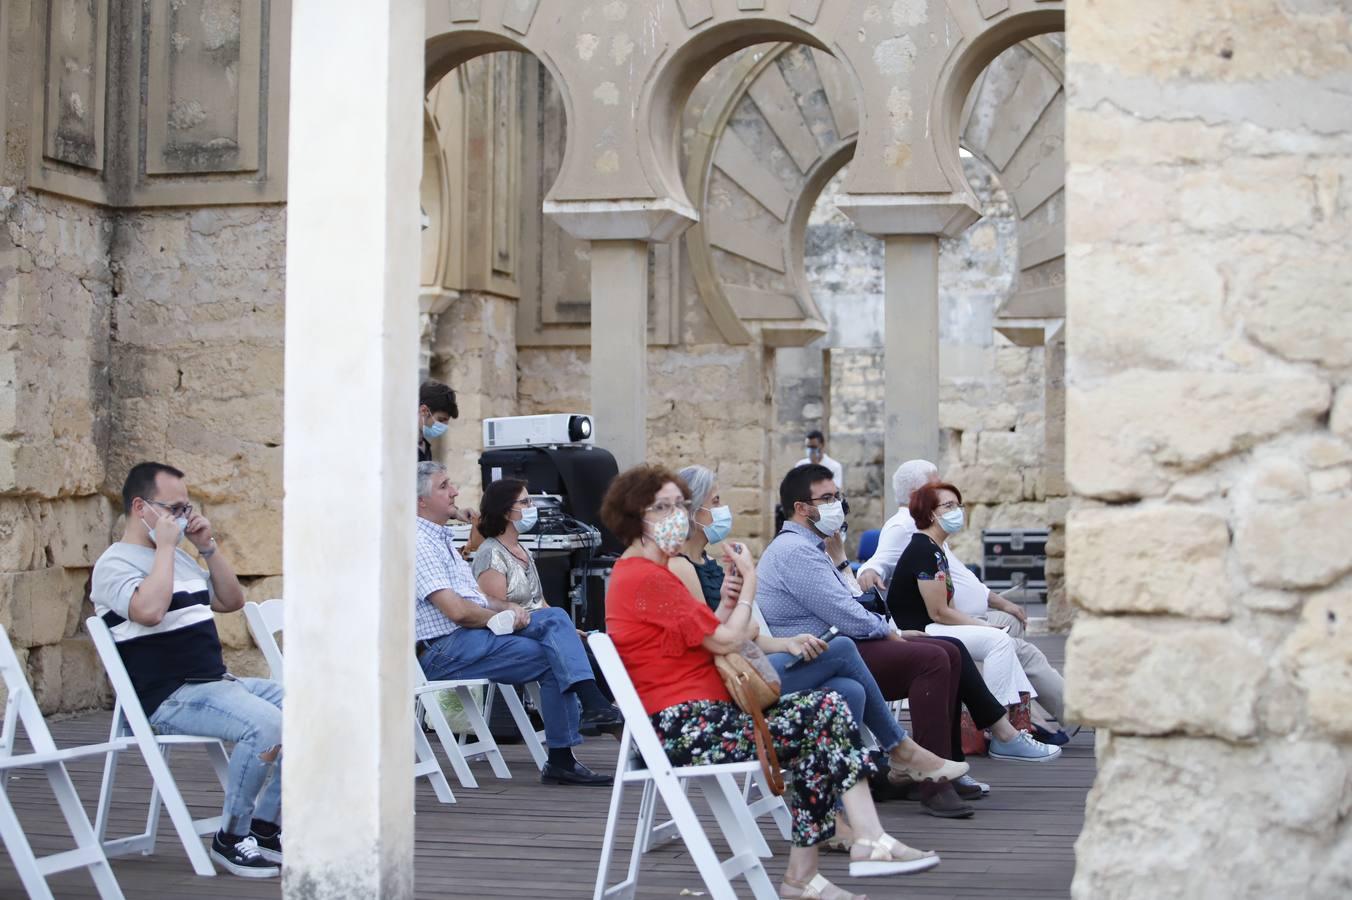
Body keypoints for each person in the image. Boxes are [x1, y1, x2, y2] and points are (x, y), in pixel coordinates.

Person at [602, 465, 940, 899]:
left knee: (830, 709)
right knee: (827, 712)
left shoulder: (649, 573)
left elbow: (706, 638)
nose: (676, 515)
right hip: (686, 729)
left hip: (701, 716)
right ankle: (838, 857)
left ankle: (842, 854)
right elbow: (729, 640)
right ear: (633, 516)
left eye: (679, 505)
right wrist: (748, 590)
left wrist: (725, 603)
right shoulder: (645, 576)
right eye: (661, 507)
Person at [669, 465, 969, 807]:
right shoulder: (693, 566)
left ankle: (838, 804)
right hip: (732, 679)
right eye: (716, 501)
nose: (723, 509)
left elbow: (745, 631)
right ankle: (902, 751)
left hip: (756, 660)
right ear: (694, 511)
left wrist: (777, 636)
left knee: (852, 688)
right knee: (868, 649)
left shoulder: (713, 563)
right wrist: (747, 594)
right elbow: (721, 637)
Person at [91, 463, 283, 878]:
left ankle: (266, 827)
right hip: (169, 696)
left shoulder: (180, 558)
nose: (182, 517)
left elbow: (232, 601)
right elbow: (149, 611)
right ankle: (231, 837)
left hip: (215, 684)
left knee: (311, 709)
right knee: (268, 726)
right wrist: (163, 549)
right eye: (173, 509)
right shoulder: (114, 565)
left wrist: (208, 546)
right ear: (141, 507)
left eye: (186, 507)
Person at [413, 462, 620, 786]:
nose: (454, 491)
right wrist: (504, 617)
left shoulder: (440, 541)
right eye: (444, 486)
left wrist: (507, 606)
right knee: (555, 645)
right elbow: (456, 611)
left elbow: (477, 600)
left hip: (467, 637)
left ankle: (569, 746)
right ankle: (590, 710)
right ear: (420, 502)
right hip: (443, 649)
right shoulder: (418, 543)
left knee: (555, 627)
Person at [860, 460, 1072, 742]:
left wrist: (998, 605)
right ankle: (1004, 728)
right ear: (922, 500)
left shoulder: (933, 541)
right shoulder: (908, 532)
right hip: (932, 626)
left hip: (955, 617)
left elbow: (956, 582)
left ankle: (1027, 719)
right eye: (947, 503)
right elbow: (933, 608)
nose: (957, 511)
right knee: (1003, 643)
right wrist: (869, 571)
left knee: (1012, 638)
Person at [473, 476, 618, 711]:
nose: (532, 508)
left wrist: (569, 631)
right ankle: (599, 709)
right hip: (514, 632)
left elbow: (540, 602)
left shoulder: (523, 550)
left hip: (540, 626)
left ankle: (605, 713)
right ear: (506, 512)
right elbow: (495, 609)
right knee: (586, 660)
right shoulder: (490, 553)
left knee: (597, 652)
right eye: (525, 502)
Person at [417, 380, 459, 463]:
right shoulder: (399, 444)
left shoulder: (426, 446)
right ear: (424, 411)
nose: (444, 425)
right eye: (441, 419)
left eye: (447, 421)